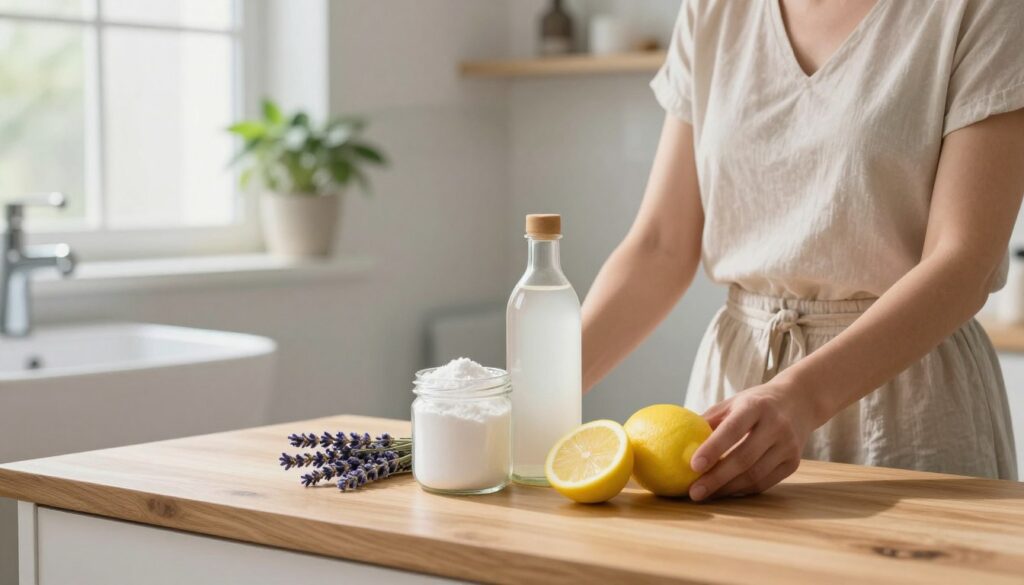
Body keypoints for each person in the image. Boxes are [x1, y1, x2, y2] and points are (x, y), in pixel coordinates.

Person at [581, 0, 1024, 502]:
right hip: (734, 400)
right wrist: (535, 389)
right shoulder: (713, 10)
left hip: (907, 395)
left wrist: (803, 395)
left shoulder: (982, 9)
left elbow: (965, 259)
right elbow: (661, 245)